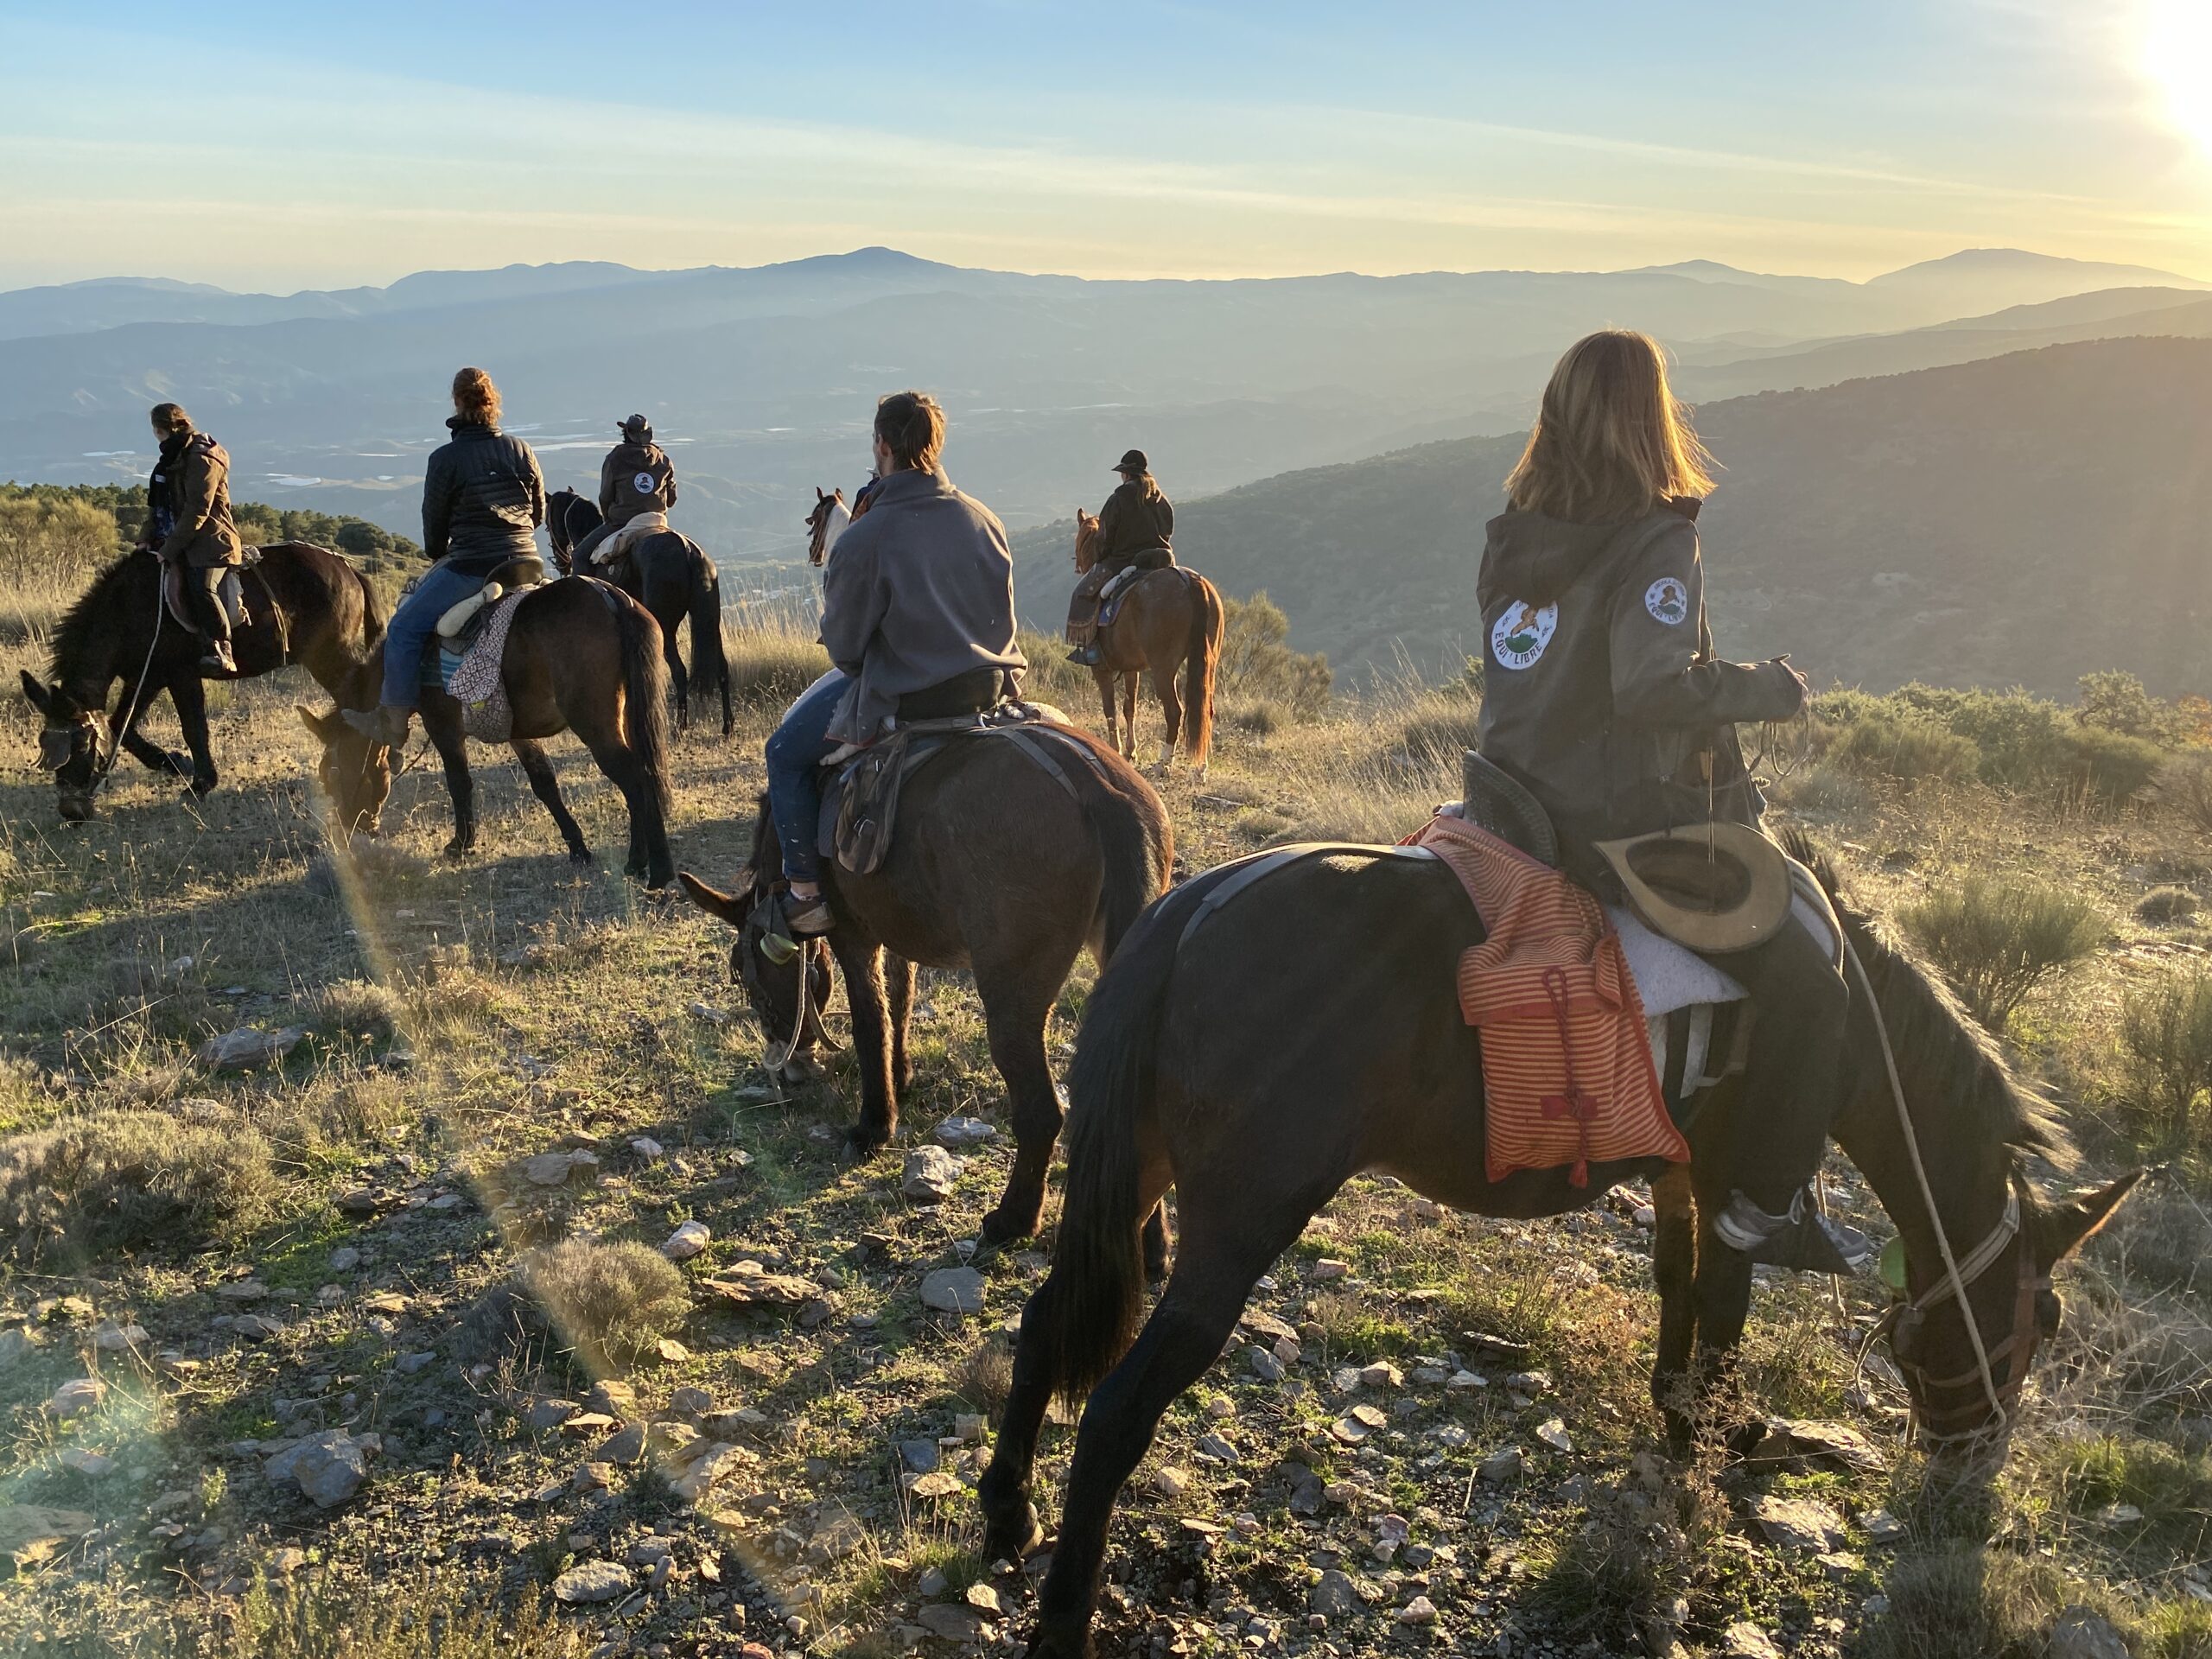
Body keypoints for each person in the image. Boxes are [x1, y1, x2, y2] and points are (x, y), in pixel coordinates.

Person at [1473, 328, 1866, 1274]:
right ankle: (1764, 1208)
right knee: (1815, 991)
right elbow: (1648, 688)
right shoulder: (1657, 540)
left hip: (1507, 805)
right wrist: (1764, 688)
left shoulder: (1513, 533)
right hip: (1614, 827)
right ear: (1650, 420)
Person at [765, 391, 1027, 934]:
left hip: (906, 697)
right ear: (935, 445)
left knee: (785, 753)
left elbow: (844, 652)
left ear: (881, 445)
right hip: (990, 692)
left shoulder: (865, 538)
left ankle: (806, 892)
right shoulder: (985, 519)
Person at [343, 367, 545, 745]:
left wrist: (441, 553)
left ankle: (393, 721)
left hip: (473, 566)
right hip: (525, 563)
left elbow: (434, 531)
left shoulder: (445, 458)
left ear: (456, 402)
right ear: (493, 403)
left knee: (403, 628)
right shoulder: (522, 449)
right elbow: (538, 514)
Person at [137, 403, 242, 674]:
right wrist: (145, 539)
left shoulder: (203, 457)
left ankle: (221, 647)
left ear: (163, 429)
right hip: (173, 535)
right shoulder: (170, 460)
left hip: (211, 541)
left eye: (157, 430)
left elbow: (198, 509)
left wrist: (169, 549)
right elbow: (159, 507)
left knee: (202, 588)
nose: (156, 435)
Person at [1065, 448, 1174, 664]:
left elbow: (1105, 537)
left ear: (1125, 474)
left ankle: (1091, 648)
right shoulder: (1161, 499)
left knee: (1082, 593)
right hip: (1161, 560)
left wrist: (1101, 554)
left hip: (1124, 561)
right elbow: (1168, 531)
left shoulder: (1118, 498)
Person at [569, 413, 677, 570]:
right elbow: (671, 501)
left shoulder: (615, 459)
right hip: (657, 521)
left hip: (622, 522)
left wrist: (608, 519)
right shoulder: (665, 461)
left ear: (626, 434)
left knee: (579, 556)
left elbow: (605, 497)